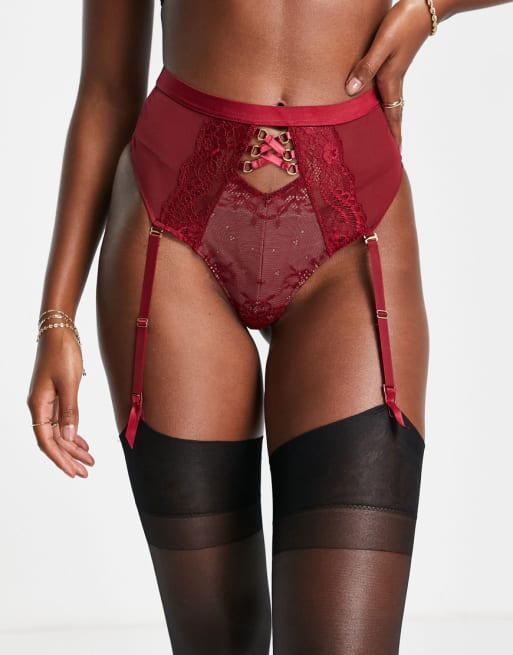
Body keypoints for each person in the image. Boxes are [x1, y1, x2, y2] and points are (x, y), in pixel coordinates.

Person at [26, 1, 511, 653]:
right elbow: (108, 90)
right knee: (218, 643)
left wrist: (431, 9)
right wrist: (56, 316)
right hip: (173, 230)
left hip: (353, 229)